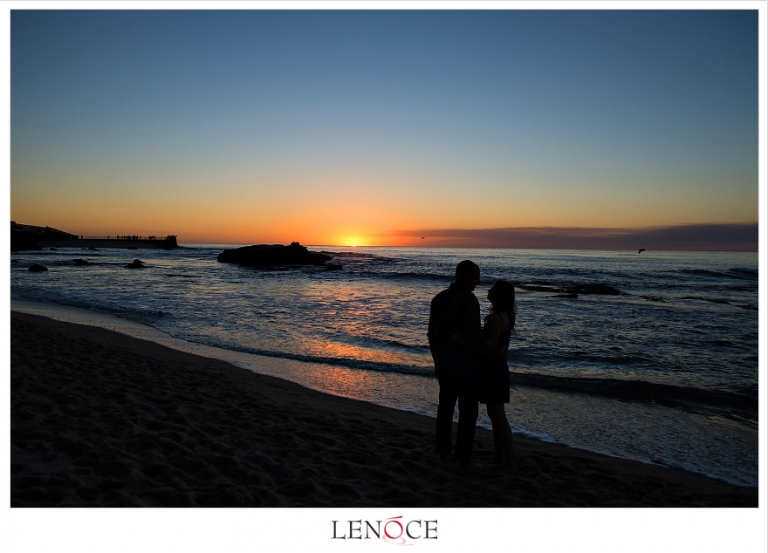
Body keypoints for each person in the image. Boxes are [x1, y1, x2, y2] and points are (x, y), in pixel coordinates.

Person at [451, 279, 516, 470]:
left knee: (498, 416)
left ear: (499, 295)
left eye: (493, 289)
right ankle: (499, 457)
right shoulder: (506, 316)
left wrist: (461, 342)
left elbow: (488, 350)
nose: (488, 290)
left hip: (493, 371)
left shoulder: (496, 319)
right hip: (497, 370)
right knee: (495, 415)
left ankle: (509, 461)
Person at [427, 260, 486, 467]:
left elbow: (431, 335)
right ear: (464, 276)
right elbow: (475, 336)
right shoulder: (469, 300)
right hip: (466, 366)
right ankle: (462, 456)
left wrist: (436, 360)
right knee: (467, 413)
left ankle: (443, 450)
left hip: (444, 363)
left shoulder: (439, 299)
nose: (478, 281)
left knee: (445, 409)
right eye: (475, 277)